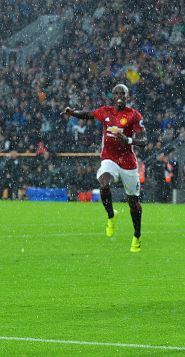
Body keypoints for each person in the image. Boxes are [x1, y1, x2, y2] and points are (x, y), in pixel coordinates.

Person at [61, 84, 147, 252]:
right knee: (104, 184)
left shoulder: (134, 115)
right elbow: (87, 115)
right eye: (117, 93)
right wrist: (72, 113)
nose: (120, 96)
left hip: (128, 162)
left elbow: (143, 141)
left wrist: (128, 140)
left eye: (123, 93)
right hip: (110, 158)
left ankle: (137, 235)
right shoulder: (105, 111)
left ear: (127, 97)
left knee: (134, 202)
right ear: (113, 96)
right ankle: (111, 215)